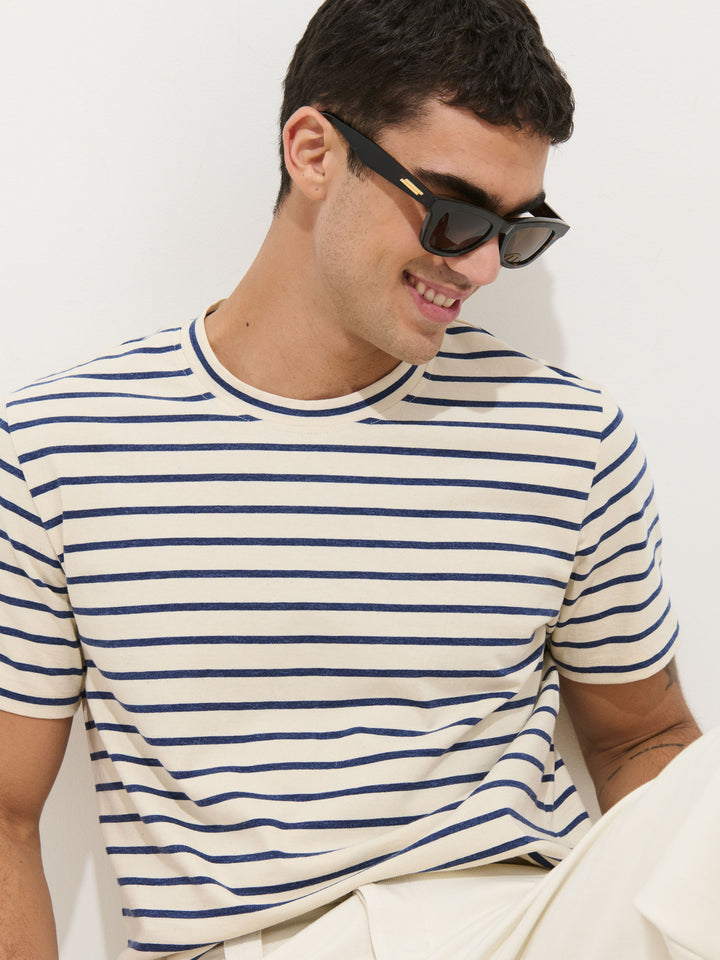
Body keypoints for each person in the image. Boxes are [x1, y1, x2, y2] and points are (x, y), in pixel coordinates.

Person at [0, 1, 715, 959]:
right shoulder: (59, 447)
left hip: (525, 923)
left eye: (517, 230)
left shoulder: (570, 436)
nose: (482, 267)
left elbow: (642, 742)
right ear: (313, 152)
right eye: (455, 213)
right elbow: (5, 813)